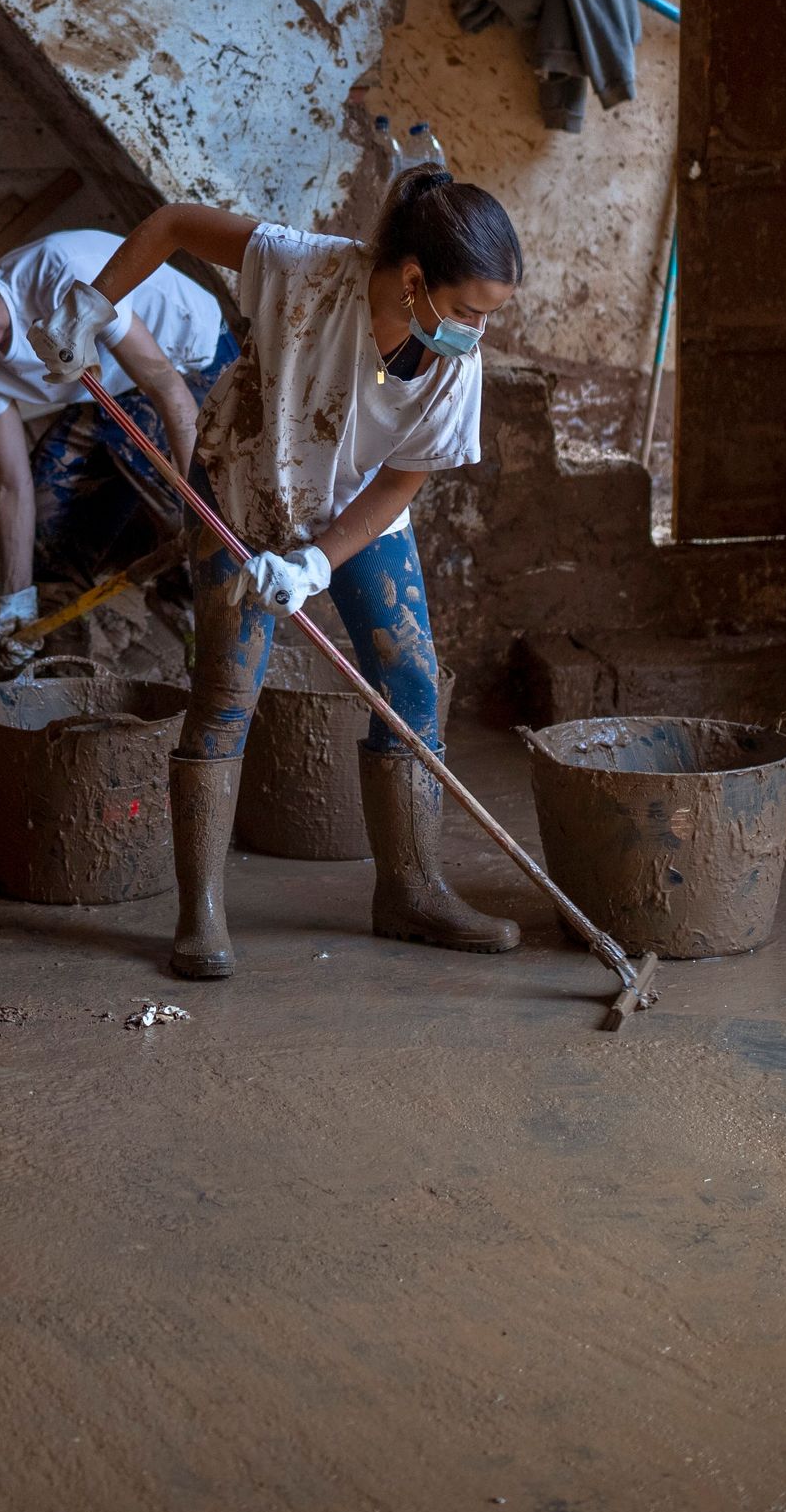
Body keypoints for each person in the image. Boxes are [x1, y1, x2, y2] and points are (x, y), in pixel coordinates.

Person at [40, 155, 523, 979]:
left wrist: (316, 563)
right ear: (414, 279)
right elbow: (174, 222)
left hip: (359, 510)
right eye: (472, 310)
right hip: (244, 489)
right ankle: (201, 914)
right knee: (228, 694)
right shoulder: (305, 268)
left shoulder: (456, 366)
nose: (481, 331)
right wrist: (96, 302)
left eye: (492, 316)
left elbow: (406, 477)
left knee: (410, 678)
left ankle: (411, 890)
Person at [0, 228, 234, 666]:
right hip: (111, 388)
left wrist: (197, 507)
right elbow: (11, 482)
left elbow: (167, 389)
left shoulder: (65, 277)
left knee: (189, 522)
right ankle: (59, 650)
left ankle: (208, 640)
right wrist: (15, 594)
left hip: (190, 362)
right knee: (51, 508)